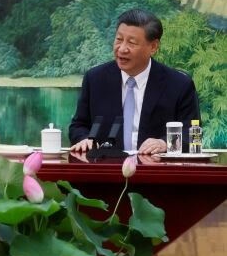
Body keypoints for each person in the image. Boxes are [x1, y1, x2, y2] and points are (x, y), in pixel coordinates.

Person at [69, 8, 200, 155]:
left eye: (131, 43)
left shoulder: (179, 84)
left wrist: (164, 143)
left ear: (153, 47)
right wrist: (85, 139)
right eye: (119, 40)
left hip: (155, 172)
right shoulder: (95, 79)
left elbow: (192, 135)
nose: (122, 49)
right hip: (106, 171)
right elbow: (78, 126)